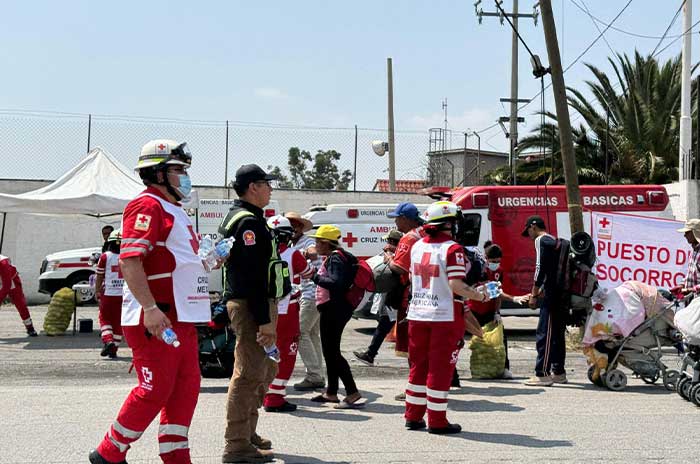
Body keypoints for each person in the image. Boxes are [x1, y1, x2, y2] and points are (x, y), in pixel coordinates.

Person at [90, 139, 210, 464]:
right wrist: (149, 308)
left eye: (185, 169)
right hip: (158, 319)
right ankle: (108, 453)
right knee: (155, 389)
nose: (184, 176)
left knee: (185, 389)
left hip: (182, 318)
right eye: (178, 170)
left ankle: (176, 457)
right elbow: (130, 261)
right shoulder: (147, 206)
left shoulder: (176, 210)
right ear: (157, 173)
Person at [403, 201, 489, 435]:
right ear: (448, 224)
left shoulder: (417, 246)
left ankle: (413, 415)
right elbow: (456, 284)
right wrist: (478, 296)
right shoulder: (453, 249)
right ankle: (438, 421)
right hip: (444, 316)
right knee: (440, 369)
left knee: (418, 366)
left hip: (418, 313)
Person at [219, 164, 284, 463]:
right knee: (247, 375)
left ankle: (248, 432)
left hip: (253, 303)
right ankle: (236, 445)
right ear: (253, 187)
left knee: (263, 370)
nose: (271, 189)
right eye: (266, 184)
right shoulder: (248, 223)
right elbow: (254, 276)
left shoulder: (249, 219)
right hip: (251, 305)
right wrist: (265, 321)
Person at [263, 215, 314, 413]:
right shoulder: (293, 254)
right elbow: (308, 272)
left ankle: (263, 392)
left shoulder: (259, 253)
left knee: (265, 352)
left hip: (263, 311)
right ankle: (274, 397)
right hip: (287, 310)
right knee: (286, 352)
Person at [308, 225, 363, 409]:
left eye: (317, 241)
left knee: (332, 352)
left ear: (325, 243)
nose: (315, 244)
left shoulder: (335, 259)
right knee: (329, 351)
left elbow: (335, 283)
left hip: (335, 308)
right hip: (336, 308)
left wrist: (313, 276)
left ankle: (352, 392)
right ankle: (331, 392)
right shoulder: (339, 256)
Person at [520, 215, 567, 387]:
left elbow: (540, 268)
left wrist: (534, 293)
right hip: (562, 293)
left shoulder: (541, 240)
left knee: (544, 333)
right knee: (557, 334)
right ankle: (558, 372)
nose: (529, 235)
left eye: (529, 231)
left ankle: (542, 374)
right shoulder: (555, 241)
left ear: (533, 227)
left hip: (552, 294)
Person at [468, 243, 526, 379]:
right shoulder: (479, 269)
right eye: (494, 261)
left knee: (502, 338)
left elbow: (497, 294)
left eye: (499, 261)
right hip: (473, 310)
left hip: (489, 311)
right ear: (486, 259)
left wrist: (497, 312)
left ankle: (504, 368)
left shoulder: (499, 272)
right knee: (458, 338)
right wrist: (513, 298)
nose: (496, 264)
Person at [386, 202, 426, 400]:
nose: (395, 222)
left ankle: (416, 386)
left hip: (410, 297)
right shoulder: (427, 233)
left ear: (406, 219)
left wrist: (389, 259)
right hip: (431, 295)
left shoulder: (409, 238)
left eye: (397, 218)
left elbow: (400, 268)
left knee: (413, 344)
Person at [286, 211, 326, 392]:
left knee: (300, 333)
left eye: (295, 224)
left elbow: (314, 252)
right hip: (311, 295)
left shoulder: (306, 242)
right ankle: (318, 374)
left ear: (301, 227)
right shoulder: (290, 243)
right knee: (311, 335)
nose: (293, 227)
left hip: (309, 295)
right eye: (290, 224)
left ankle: (314, 375)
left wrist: (302, 253)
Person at [353, 229, 403, 366]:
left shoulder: (397, 254)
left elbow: (392, 265)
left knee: (386, 325)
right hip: (391, 296)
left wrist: (388, 252)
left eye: (388, 241)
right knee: (384, 324)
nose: (386, 244)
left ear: (393, 242)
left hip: (397, 296)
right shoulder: (396, 253)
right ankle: (370, 354)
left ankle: (370, 354)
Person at [95, 229, 124, 359]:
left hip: (109, 294)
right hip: (124, 295)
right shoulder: (127, 256)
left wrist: (97, 291)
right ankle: (114, 349)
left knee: (104, 318)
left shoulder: (105, 256)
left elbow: (99, 276)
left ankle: (108, 340)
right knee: (119, 322)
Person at [0, 254, 37, 336]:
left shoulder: (3, 263)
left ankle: (30, 327)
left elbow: (7, 285)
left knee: (20, 303)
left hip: (11, 280)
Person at [676, 219, 700, 296]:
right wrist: (682, 285)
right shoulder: (694, 251)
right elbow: (691, 274)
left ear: (694, 233)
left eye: (687, 232)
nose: (685, 235)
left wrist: (690, 290)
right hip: (692, 301)